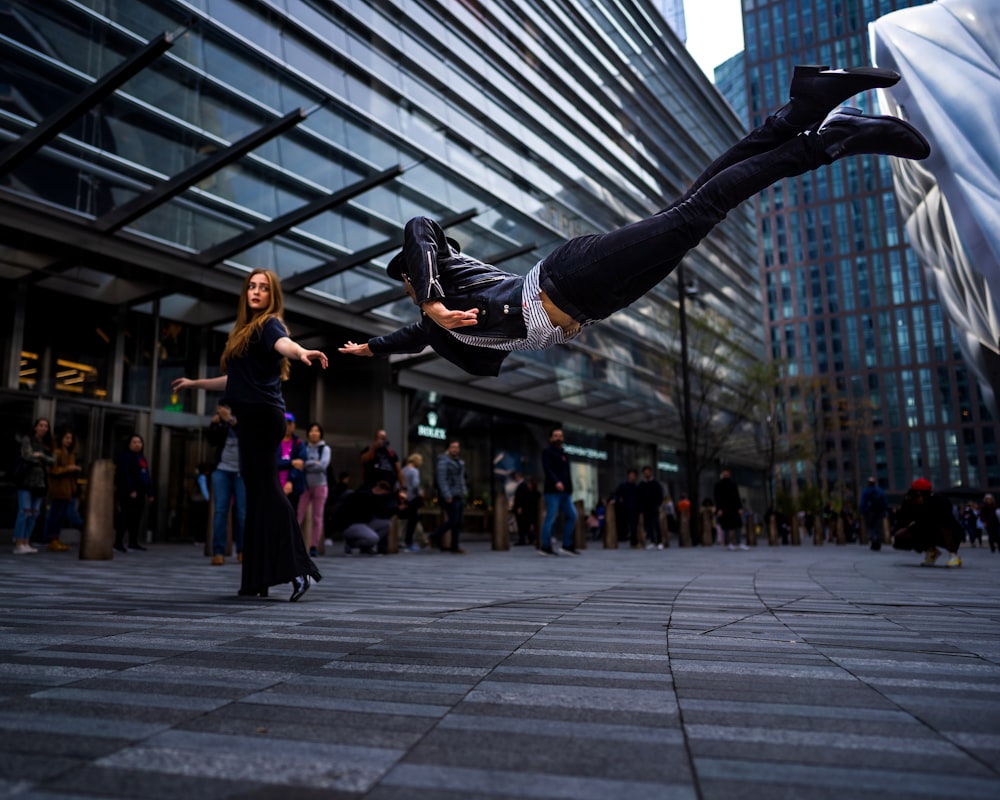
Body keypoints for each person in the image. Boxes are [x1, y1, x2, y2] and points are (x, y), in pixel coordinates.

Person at [339, 67, 928, 376]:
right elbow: (411, 338)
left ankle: (831, 140)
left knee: (701, 212)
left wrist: (432, 299)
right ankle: (802, 106)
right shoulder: (441, 327)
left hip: (567, 277)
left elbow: (419, 226)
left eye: (411, 283)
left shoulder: (438, 291)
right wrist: (368, 348)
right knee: (694, 207)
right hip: (595, 302)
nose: (412, 289)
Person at [171, 267, 326, 601]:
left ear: (273, 296)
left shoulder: (269, 324)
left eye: (264, 288)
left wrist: (301, 353)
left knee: (267, 492)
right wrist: (195, 383)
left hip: (262, 416)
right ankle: (256, 580)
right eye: (252, 286)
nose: (256, 292)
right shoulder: (243, 331)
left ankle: (299, 569)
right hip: (251, 417)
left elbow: (284, 343)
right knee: (256, 497)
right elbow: (233, 381)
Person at [205, 404, 246, 566]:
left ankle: (243, 550)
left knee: (242, 513)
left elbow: (248, 439)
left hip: (241, 472)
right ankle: (218, 551)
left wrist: (231, 421)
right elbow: (212, 441)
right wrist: (216, 424)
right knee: (220, 511)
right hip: (221, 470)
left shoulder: (243, 418)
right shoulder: (221, 423)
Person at [892, 478, 962, 567]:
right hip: (923, 528)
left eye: (921, 497)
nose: (919, 500)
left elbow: (947, 521)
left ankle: (953, 554)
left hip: (945, 529)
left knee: (944, 527)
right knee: (901, 535)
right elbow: (903, 520)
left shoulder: (940, 501)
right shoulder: (909, 502)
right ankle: (931, 551)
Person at [12, 418, 54, 554]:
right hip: (26, 481)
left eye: (45, 426)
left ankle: (26, 541)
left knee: (34, 513)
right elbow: (27, 455)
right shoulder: (27, 439)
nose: (43, 428)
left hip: (40, 483)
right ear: (35, 427)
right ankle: (19, 542)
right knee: (24, 511)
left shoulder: (47, 444)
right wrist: (42, 458)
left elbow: (53, 461)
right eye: (40, 425)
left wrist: (40, 455)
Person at [539, 427, 577, 556]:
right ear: (551, 438)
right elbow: (548, 469)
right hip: (552, 491)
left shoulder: (564, 453)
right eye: (555, 436)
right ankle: (545, 546)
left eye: (560, 436)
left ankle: (566, 545)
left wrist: (570, 488)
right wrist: (556, 482)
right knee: (551, 518)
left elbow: (567, 473)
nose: (558, 438)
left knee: (572, 515)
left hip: (565, 493)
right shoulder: (547, 452)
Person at [114, 433, 154, 553]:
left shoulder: (142, 458)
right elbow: (125, 475)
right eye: (134, 442)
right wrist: (131, 489)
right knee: (125, 517)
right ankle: (118, 542)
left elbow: (146, 476)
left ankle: (133, 542)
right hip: (128, 492)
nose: (137, 445)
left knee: (136, 518)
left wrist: (150, 492)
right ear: (129, 444)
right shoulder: (125, 457)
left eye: (139, 442)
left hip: (140, 492)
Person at [45, 429, 84, 552]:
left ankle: (55, 539)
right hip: (59, 490)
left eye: (70, 438)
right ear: (61, 439)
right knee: (57, 515)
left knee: (61, 516)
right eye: (66, 438)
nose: (69, 441)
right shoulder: (57, 452)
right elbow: (53, 470)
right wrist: (69, 468)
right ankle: (52, 540)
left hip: (68, 490)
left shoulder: (70, 454)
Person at [299, 421, 331, 557]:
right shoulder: (303, 446)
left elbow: (323, 466)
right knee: (298, 514)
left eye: (317, 431)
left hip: (320, 485)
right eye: (312, 431)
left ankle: (313, 546)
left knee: (317, 517)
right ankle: (295, 542)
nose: (314, 433)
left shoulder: (325, 449)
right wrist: (313, 463)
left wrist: (307, 464)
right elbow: (300, 463)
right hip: (304, 485)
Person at [430, 439, 467, 554]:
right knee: (453, 520)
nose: (455, 449)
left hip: (459, 494)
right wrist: (447, 494)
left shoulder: (459, 462)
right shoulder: (443, 462)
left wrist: (464, 491)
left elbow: (461, 479)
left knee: (458, 522)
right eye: (453, 447)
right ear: (448, 448)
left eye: (457, 447)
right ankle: (434, 536)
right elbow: (441, 479)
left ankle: (454, 546)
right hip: (450, 495)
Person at [278, 412, 307, 511]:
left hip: (293, 487)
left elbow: (300, 464)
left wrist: (290, 481)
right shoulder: (275, 441)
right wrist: (291, 462)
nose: (287, 426)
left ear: (294, 425)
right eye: (284, 423)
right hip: (275, 485)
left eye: (289, 423)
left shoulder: (299, 443)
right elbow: (273, 463)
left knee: (291, 515)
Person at [713, 468, 746, 551]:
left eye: (727, 473)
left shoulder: (733, 484)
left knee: (737, 525)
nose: (726, 474)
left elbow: (737, 496)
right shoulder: (719, 485)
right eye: (724, 473)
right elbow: (717, 498)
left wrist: (740, 508)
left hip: (734, 508)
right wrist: (719, 509)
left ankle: (738, 542)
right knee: (726, 526)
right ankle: (728, 543)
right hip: (725, 508)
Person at [400, 453, 425, 552]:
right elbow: (415, 485)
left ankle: (403, 541)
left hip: (404, 497)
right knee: (412, 521)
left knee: (404, 520)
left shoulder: (403, 470)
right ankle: (408, 543)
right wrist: (420, 492)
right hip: (413, 499)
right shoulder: (414, 471)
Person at [610, 469, 640, 547]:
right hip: (626, 508)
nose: (632, 476)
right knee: (627, 525)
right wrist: (614, 500)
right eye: (631, 474)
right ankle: (627, 539)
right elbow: (617, 494)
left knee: (634, 526)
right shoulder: (623, 485)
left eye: (633, 475)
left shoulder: (637, 486)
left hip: (635, 508)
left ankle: (634, 542)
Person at [638, 465, 665, 549]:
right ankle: (652, 541)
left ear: (651, 472)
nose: (646, 474)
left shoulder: (656, 484)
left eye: (648, 472)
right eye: (645, 472)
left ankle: (660, 542)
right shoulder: (642, 484)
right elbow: (639, 496)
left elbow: (660, 495)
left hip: (654, 507)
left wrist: (658, 504)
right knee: (648, 525)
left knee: (656, 524)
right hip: (645, 508)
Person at [859, 476, 888, 551]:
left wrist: (862, 512)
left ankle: (873, 542)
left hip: (869, 512)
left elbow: (863, 503)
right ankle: (878, 543)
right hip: (879, 512)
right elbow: (885, 502)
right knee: (878, 528)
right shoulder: (880, 491)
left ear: (868, 483)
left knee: (871, 527)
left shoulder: (866, 491)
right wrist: (884, 511)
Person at [513, 474, 541, 546]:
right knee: (526, 525)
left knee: (524, 525)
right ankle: (530, 538)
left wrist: (520, 507)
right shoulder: (525, 488)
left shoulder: (523, 486)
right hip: (528, 510)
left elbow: (522, 498)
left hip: (528, 510)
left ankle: (526, 539)